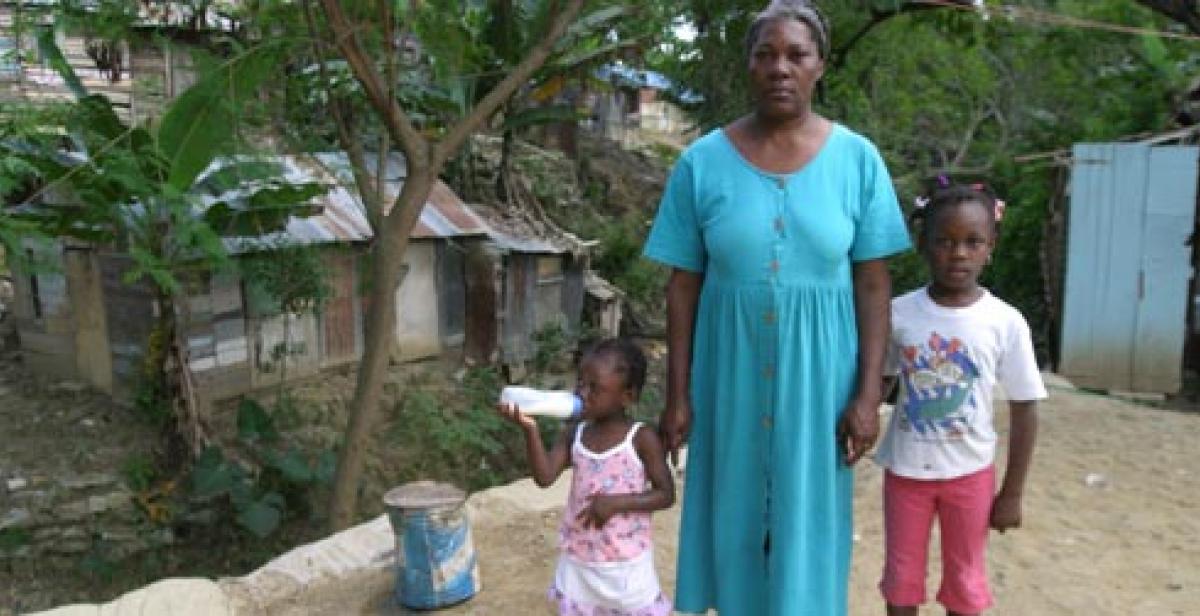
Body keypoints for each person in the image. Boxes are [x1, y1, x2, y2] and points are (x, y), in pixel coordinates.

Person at [641, 0, 911, 612]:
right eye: (765, 54)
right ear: (748, 67)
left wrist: (869, 395)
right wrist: (677, 394)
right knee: (732, 506)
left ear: (820, 66)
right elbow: (682, 287)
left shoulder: (857, 160)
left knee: (808, 512)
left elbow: (873, 285)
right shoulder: (700, 163)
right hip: (727, 376)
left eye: (797, 54)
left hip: (822, 381)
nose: (780, 67)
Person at [874, 183, 1046, 616]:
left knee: (965, 583)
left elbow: (1025, 406)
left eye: (972, 242)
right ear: (923, 245)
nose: (959, 254)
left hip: (971, 476)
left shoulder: (1004, 322)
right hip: (905, 473)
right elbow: (880, 383)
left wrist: (1012, 493)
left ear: (992, 246)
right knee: (901, 582)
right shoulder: (898, 314)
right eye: (945, 242)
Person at [496, 338, 675, 616]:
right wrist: (530, 430)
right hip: (581, 560)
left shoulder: (641, 438)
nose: (583, 393)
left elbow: (665, 494)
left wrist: (615, 503)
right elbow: (544, 477)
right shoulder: (574, 434)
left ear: (627, 396)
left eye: (595, 388)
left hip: (625, 565)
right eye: (581, 382)